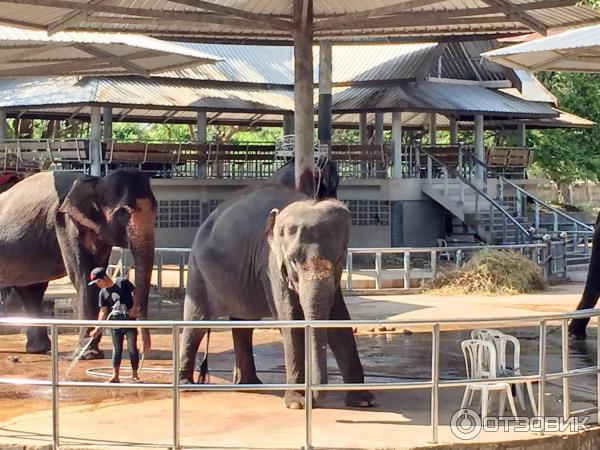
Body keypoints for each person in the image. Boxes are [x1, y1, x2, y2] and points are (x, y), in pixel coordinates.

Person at [89, 267, 141, 383]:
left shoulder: (122, 282)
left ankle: (135, 375)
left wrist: (134, 308)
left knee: (132, 348)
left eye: (98, 282)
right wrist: (98, 328)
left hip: (129, 321)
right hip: (115, 324)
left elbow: (135, 292)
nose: (98, 285)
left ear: (105, 278)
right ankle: (115, 375)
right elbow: (103, 311)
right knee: (117, 350)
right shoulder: (103, 293)